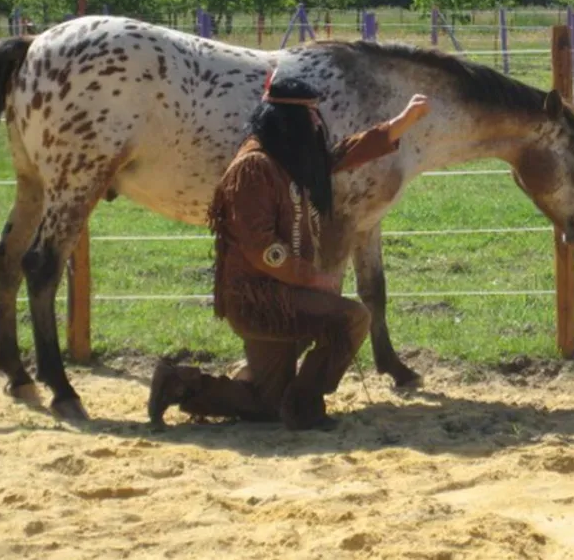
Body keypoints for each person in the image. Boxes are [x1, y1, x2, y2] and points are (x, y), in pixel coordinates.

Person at [148, 74, 431, 430]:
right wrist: (312, 277)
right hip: (261, 302)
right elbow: (263, 249)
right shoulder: (254, 168)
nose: (317, 122)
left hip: (280, 297)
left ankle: (177, 384)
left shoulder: (288, 158)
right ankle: (304, 406)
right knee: (353, 318)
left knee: (265, 404)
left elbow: (341, 154)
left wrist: (399, 124)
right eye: (311, 115)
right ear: (291, 121)